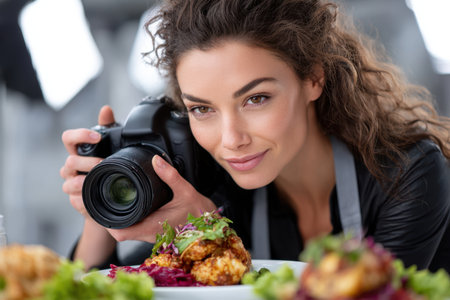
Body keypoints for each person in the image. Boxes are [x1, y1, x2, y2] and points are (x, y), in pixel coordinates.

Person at [60, 0, 450, 272]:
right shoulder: (220, 189)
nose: (231, 140)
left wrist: (212, 239)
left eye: (256, 99)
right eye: (203, 109)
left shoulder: (409, 173)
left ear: (313, 78)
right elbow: (109, 285)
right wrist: (102, 197)